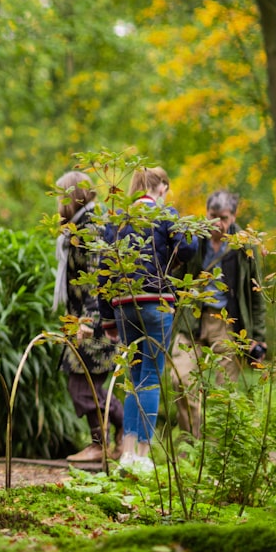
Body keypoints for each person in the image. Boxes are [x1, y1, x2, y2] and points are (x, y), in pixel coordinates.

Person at [98, 166, 197, 474]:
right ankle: (142, 455)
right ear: (162, 187)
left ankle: (126, 453)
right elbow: (190, 246)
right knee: (151, 378)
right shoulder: (165, 213)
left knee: (132, 378)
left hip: (124, 305)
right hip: (156, 303)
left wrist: (107, 319)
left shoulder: (119, 221)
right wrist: (176, 257)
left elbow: (103, 269)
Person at [169, 190, 267, 438]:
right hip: (192, 319)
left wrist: (258, 336)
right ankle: (193, 446)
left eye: (223, 218)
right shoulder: (192, 239)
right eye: (212, 216)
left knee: (226, 392)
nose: (217, 224)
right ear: (206, 213)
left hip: (227, 323)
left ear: (233, 217)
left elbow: (256, 293)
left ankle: (220, 455)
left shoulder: (245, 246)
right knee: (180, 380)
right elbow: (175, 277)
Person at [53, 171, 124, 464]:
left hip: (97, 323)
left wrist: (88, 321)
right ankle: (105, 440)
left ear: (72, 196)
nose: (57, 203)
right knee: (84, 386)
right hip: (83, 319)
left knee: (83, 387)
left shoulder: (92, 228)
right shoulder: (77, 227)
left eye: (60, 196)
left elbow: (97, 277)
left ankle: (112, 435)